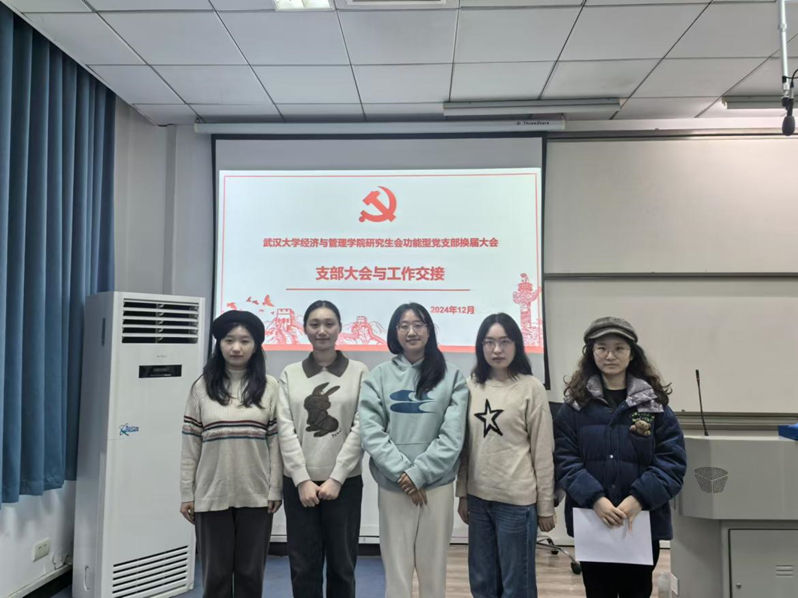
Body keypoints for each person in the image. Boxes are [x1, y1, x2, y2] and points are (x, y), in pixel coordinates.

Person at [553, 317, 686, 598]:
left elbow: (672, 462)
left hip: (641, 522)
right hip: (593, 520)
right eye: (602, 348)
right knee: (597, 591)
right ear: (591, 353)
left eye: (619, 348)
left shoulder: (654, 406)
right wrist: (596, 499)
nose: (610, 355)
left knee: (636, 591)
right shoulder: (574, 408)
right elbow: (565, 460)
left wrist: (639, 498)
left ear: (632, 354)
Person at [359, 302, 468, 598]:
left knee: (434, 573)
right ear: (395, 332)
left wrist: (419, 473)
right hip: (394, 487)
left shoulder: (452, 376)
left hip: (436, 486)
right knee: (397, 573)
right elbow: (371, 432)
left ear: (429, 331)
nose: (411, 331)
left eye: (419, 325)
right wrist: (403, 474)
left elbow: (453, 435)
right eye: (404, 325)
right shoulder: (378, 376)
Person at [179, 310, 282, 598]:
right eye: (229, 340)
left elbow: (276, 445)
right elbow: (190, 445)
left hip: (257, 495)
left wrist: (275, 489)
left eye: (245, 341)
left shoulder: (270, 387)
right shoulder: (201, 387)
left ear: (256, 346)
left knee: (250, 575)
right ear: (219, 345)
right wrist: (187, 492)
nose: (236, 347)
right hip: (211, 493)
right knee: (216, 576)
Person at [456, 313, 555, 598]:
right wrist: (462, 493)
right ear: (480, 346)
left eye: (504, 341)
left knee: (517, 587)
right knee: (482, 583)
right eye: (489, 342)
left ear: (517, 345)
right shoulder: (470, 385)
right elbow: (466, 447)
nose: (496, 349)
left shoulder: (531, 387)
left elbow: (543, 450)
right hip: (478, 499)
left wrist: (545, 505)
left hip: (517, 503)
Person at [277, 300, 369, 598]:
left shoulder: (359, 372)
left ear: (340, 328)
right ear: (304, 329)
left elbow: (361, 427)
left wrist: (337, 477)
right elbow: (285, 429)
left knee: (343, 566)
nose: (322, 331)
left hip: (345, 484)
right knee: (303, 566)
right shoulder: (290, 373)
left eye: (329, 324)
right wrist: (301, 478)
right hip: (299, 485)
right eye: (314, 324)